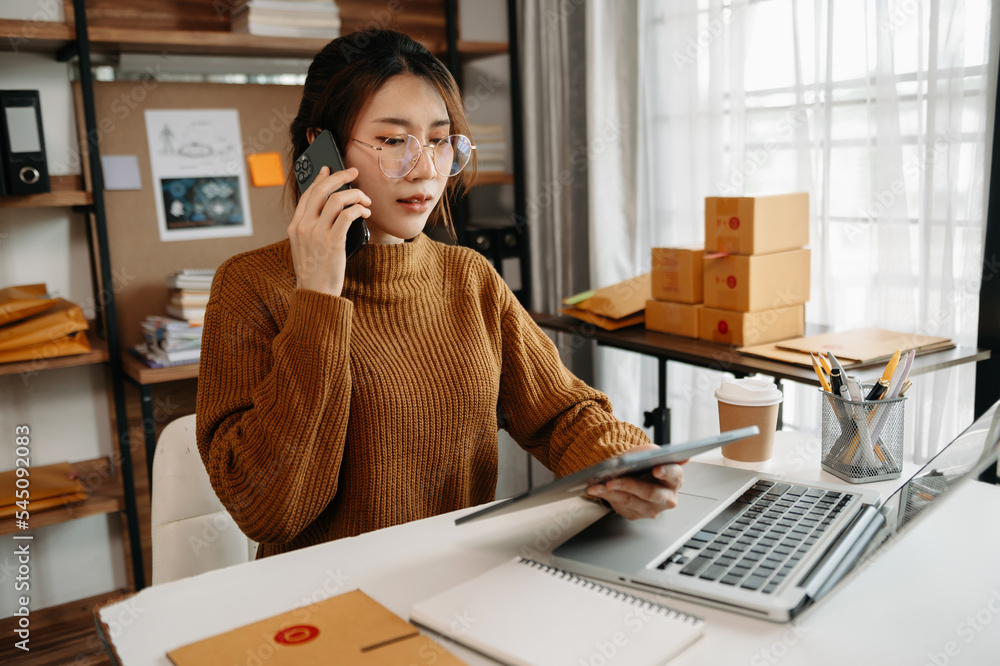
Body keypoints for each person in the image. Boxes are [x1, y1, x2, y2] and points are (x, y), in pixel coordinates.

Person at [195, 30, 683, 559]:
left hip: (461, 584)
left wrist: (631, 464)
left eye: (439, 139)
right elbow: (270, 509)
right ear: (322, 148)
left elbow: (560, 416)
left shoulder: (468, 277)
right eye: (391, 141)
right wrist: (318, 297)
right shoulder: (248, 285)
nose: (425, 168)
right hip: (323, 607)